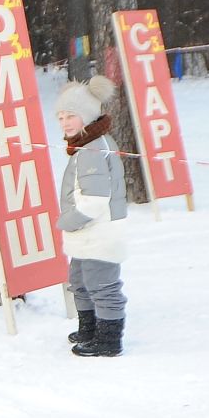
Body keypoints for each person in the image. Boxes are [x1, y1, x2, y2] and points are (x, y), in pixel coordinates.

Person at [55, 77, 130, 357]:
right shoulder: (86, 145)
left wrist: (67, 221)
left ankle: (109, 340)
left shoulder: (93, 149)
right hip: (87, 234)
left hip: (100, 231)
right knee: (80, 279)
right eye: (61, 117)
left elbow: (96, 200)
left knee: (101, 284)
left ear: (86, 115)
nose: (64, 123)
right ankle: (89, 327)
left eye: (71, 115)